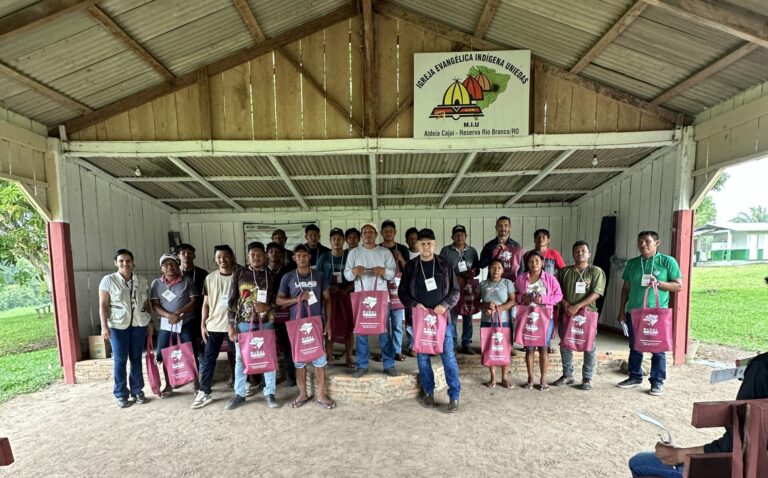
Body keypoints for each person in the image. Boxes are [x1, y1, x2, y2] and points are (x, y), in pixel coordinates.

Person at [628, 352, 768, 477]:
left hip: (747, 469)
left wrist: (679, 455)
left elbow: (737, 443)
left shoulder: (761, 367)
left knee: (638, 463)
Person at [399, 228, 461, 412]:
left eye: (429, 244)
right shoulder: (411, 267)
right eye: (422, 244)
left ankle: (454, 396)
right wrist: (414, 304)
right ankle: (428, 392)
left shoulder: (444, 264)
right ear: (417, 245)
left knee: (448, 357)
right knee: (423, 358)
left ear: (434, 245)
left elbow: (455, 291)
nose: (426, 247)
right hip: (420, 320)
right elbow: (402, 293)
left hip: (442, 320)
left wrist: (445, 304)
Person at [617, 231, 682, 396]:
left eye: (647, 241)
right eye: (640, 242)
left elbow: (678, 286)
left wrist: (659, 283)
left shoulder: (667, 261)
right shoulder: (633, 263)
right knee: (635, 346)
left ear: (657, 243)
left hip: (656, 314)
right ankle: (634, 376)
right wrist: (621, 311)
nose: (643, 245)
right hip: (634, 312)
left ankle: (657, 382)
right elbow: (625, 289)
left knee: (658, 348)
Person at [277, 244, 336, 409]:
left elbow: (327, 300)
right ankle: (302, 394)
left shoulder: (319, 275)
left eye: (304, 255)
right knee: (299, 362)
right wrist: (297, 299)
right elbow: (279, 300)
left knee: (319, 360)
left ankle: (321, 396)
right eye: (298, 256)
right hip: (297, 326)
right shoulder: (288, 277)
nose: (302, 258)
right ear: (294, 258)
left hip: (316, 324)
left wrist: (328, 323)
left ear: (310, 257)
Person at [225, 242, 279, 410]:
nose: (256, 258)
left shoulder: (271, 275)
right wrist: (231, 325)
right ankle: (239, 394)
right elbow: (231, 302)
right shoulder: (239, 273)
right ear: (248, 257)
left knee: (268, 357)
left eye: (259, 254)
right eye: (253, 255)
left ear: (265, 255)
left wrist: (267, 306)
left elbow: (278, 300)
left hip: (266, 323)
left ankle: (270, 392)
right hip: (243, 323)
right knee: (240, 359)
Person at [344, 223, 400, 378]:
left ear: (376, 234)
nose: (368, 234)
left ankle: (389, 364)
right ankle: (362, 365)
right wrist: (354, 271)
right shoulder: (354, 253)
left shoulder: (384, 252)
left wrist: (383, 271)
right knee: (361, 332)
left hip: (381, 299)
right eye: (365, 232)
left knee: (383, 331)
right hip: (360, 297)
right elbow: (347, 275)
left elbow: (392, 274)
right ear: (361, 235)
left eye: (370, 232)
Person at [99, 249, 153, 408]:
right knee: (120, 359)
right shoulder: (108, 280)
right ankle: (121, 394)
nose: (125, 264)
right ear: (116, 263)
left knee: (136, 358)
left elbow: (145, 303)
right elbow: (103, 305)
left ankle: (137, 391)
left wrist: (150, 322)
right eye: (121, 261)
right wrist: (104, 326)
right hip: (117, 326)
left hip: (138, 325)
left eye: (128, 260)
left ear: (133, 262)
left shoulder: (141, 281)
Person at [552, 241, 605, 391]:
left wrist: (577, 306)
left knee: (589, 346)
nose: (580, 253)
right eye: (576, 251)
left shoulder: (596, 271)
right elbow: (556, 291)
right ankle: (567, 375)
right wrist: (566, 304)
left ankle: (587, 378)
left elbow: (597, 292)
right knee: (565, 344)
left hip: (587, 314)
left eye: (583, 251)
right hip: (567, 313)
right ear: (573, 254)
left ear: (589, 254)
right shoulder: (564, 272)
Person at [192, 245, 237, 409]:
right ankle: (204, 391)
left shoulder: (239, 276)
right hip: (214, 325)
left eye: (225, 256)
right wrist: (203, 325)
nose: (222, 260)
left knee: (239, 358)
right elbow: (205, 304)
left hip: (234, 326)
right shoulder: (210, 278)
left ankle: (242, 386)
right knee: (209, 359)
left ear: (231, 257)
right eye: (219, 257)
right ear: (215, 259)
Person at [150, 253, 200, 396]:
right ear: (161, 268)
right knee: (165, 354)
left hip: (185, 323)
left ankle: (196, 383)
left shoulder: (187, 281)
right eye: (165, 265)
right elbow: (155, 304)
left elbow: (194, 301)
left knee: (189, 353)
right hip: (166, 325)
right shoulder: (156, 284)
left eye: (172, 264)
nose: (169, 267)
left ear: (178, 266)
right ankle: (169, 384)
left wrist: (178, 312)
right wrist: (169, 316)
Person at [515, 250, 563, 391]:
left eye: (537, 260)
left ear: (542, 262)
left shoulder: (550, 279)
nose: (534, 263)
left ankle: (543, 380)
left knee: (543, 348)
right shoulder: (521, 279)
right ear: (527, 264)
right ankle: (530, 379)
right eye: (531, 261)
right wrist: (522, 298)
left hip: (545, 318)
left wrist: (544, 299)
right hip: (528, 318)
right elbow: (513, 295)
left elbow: (559, 296)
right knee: (529, 348)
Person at [317, 228, 355, 367]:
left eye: (339, 238)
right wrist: (327, 288)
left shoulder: (350, 256)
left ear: (344, 241)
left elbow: (357, 277)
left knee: (349, 327)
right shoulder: (324, 257)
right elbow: (318, 277)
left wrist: (346, 289)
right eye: (334, 239)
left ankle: (349, 357)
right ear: (330, 241)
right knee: (329, 327)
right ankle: (330, 357)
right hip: (329, 296)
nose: (336, 241)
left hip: (346, 295)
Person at [439, 225, 480, 354]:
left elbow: (477, 269)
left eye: (462, 234)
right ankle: (453, 345)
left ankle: (466, 344)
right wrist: (454, 277)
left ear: (466, 236)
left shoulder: (472, 251)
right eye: (456, 234)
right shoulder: (446, 251)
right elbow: (441, 269)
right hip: (452, 288)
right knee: (452, 317)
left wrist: (471, 273)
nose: (459, 237)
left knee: (468, 316)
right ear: (452, 237)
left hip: (468, 288)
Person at [479, 258, 516, 388]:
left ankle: (504, 377)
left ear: (503, 270)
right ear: (489, 269)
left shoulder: (507, 283)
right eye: (493, 267)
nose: (496, 270)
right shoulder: (483, 284)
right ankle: (493, 378)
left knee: (505, 348)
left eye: (499, 268)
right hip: (487, 321)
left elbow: (512, 301)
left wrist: (498, 309)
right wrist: (485, 306)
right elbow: (476, 302)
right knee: (490, 348)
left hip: (504, 321)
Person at [379, 220, 410, 361]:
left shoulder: (402, 248)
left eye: (391, 231)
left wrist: (401, 258)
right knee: (383, 325)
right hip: (382, 291)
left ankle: (397, 351)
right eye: (385, 231)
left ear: (395, 232)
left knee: (397, 324)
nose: (388, 233)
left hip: (397, 292)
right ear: (381, 233)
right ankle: (385, 352)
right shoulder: (377, 249)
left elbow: (409, 269)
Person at [267, 241, 295, 386]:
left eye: (277, 252)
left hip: (284, 312)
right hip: (267, 313)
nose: (274, 254)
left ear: (282, 254)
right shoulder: (262, 272)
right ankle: (269, 378)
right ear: (267, 254)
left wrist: (284, 303)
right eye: (271, 251)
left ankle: (290, 374)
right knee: (268, 345)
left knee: (288, 344)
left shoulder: (288, 272)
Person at [177, 244, 208, 369]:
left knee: (202, 343)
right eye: (183, 253)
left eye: (189, 253)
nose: (186, 255)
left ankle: (204, 373)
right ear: (178, 256)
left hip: (200, 313)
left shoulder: (202, 273)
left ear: (194, 256)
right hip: (183, 316)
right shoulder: (174, 273)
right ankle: (191, 372)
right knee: (187, 347)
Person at [478, 216, 524, 282]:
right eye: (500, 225)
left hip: (511, 283)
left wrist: (518, 283)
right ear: (496, 227)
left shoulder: (516, 246)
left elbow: (521, 268)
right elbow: (482, 265)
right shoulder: (489, 245)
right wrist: (493, 251)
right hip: (493, 283)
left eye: (506, 225)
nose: (503, 228)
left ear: (510, 227)